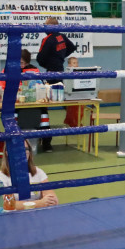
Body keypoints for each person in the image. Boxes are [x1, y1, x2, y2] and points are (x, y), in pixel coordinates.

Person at [36, 18, 78, 152]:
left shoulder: (47, 39)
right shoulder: (62, 37)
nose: (43, 27)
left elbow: (40, 58)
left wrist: (48, 63)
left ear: (51, 26)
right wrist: (60, 57)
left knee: (44, 104)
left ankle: (46, 140)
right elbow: (72, 47)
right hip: (60, 70)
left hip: (51, 73)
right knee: (64, 99)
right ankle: (74, 123)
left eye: (45, 25)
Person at [0, 140, 59, 212]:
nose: (23, 152)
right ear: (8, 153)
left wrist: (49, 201)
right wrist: (38, 203)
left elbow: (53, 199)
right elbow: (2, 205)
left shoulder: (38, 172)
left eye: (26, 149)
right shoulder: (0, 178)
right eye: (18, 149)